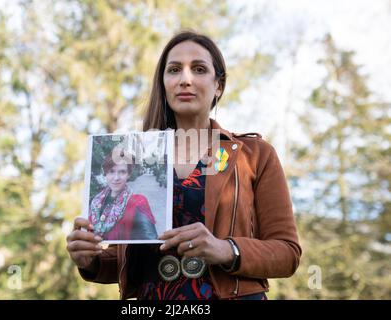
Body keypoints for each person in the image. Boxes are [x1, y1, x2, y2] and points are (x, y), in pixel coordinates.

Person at [66, 31, 301, 300]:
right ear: (164, 83)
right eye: (174, 70)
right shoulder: (138, 158)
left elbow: (287, 252)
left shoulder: (256, 155)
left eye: (199, 69)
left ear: (219, 86)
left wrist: (225, 249)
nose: (185, 79)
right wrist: (89, 259)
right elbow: (129, 261)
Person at [88, 148, 158, 240]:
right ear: (106, 173)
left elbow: (151, 242)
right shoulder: (95, 201)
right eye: (112, 171)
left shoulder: (138, 202)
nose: (116, 178)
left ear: (128, 174)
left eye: (122, 172)